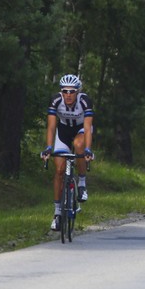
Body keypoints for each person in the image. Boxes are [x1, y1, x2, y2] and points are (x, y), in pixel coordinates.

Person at [41, 74, 95, 231]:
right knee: (59, 170)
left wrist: (88, 150)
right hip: (63, 131)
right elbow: (51, 127)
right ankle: (57, 213)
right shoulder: (55, 100)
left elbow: (88, 127)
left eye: (72, 91)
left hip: (80, 129)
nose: (68, 95)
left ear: (77, 92)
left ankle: (82, 184)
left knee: (79, 144)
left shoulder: (85, 101)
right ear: (61, 91)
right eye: (65, 91)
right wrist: (48, 147)